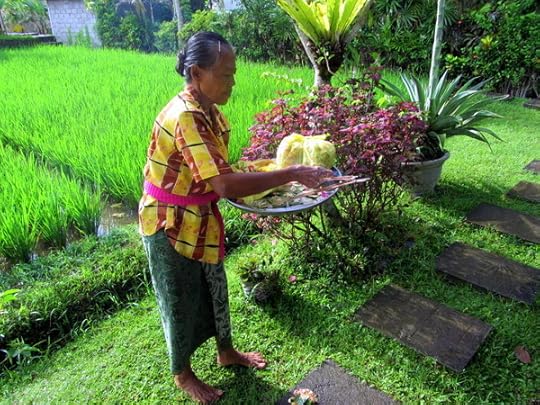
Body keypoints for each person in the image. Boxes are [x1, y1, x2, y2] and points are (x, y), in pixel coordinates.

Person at [139, 31, 333, 404]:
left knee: (215, 288)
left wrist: (272, 170)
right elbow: (225, 185)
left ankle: (226, 352)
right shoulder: (186, 116)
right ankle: (182, 373)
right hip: (168, 222)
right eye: (225, 75)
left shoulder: (209, 110)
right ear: (196, 73)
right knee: (179, 300)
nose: (232, 82)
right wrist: (291, 174)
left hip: (201, 216)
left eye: (234, 73)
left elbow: (219, 169)